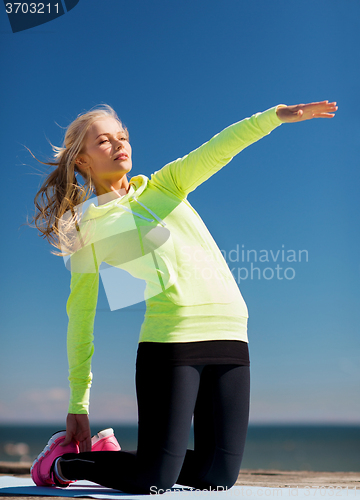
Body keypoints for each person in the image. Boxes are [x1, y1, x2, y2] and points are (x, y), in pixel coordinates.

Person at [29, 100, 337, 494]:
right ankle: (63, 462)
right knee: (153, 480)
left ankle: (120, 454)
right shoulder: (89, 227)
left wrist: (274, 117)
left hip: (231, 335)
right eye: (103, 141)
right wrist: (79, 402)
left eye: (121, 137)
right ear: (82, 160)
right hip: (171, 343)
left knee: (218, 477)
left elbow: (219, 147)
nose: (119, 145)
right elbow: (82, 317)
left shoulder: (166, 184)